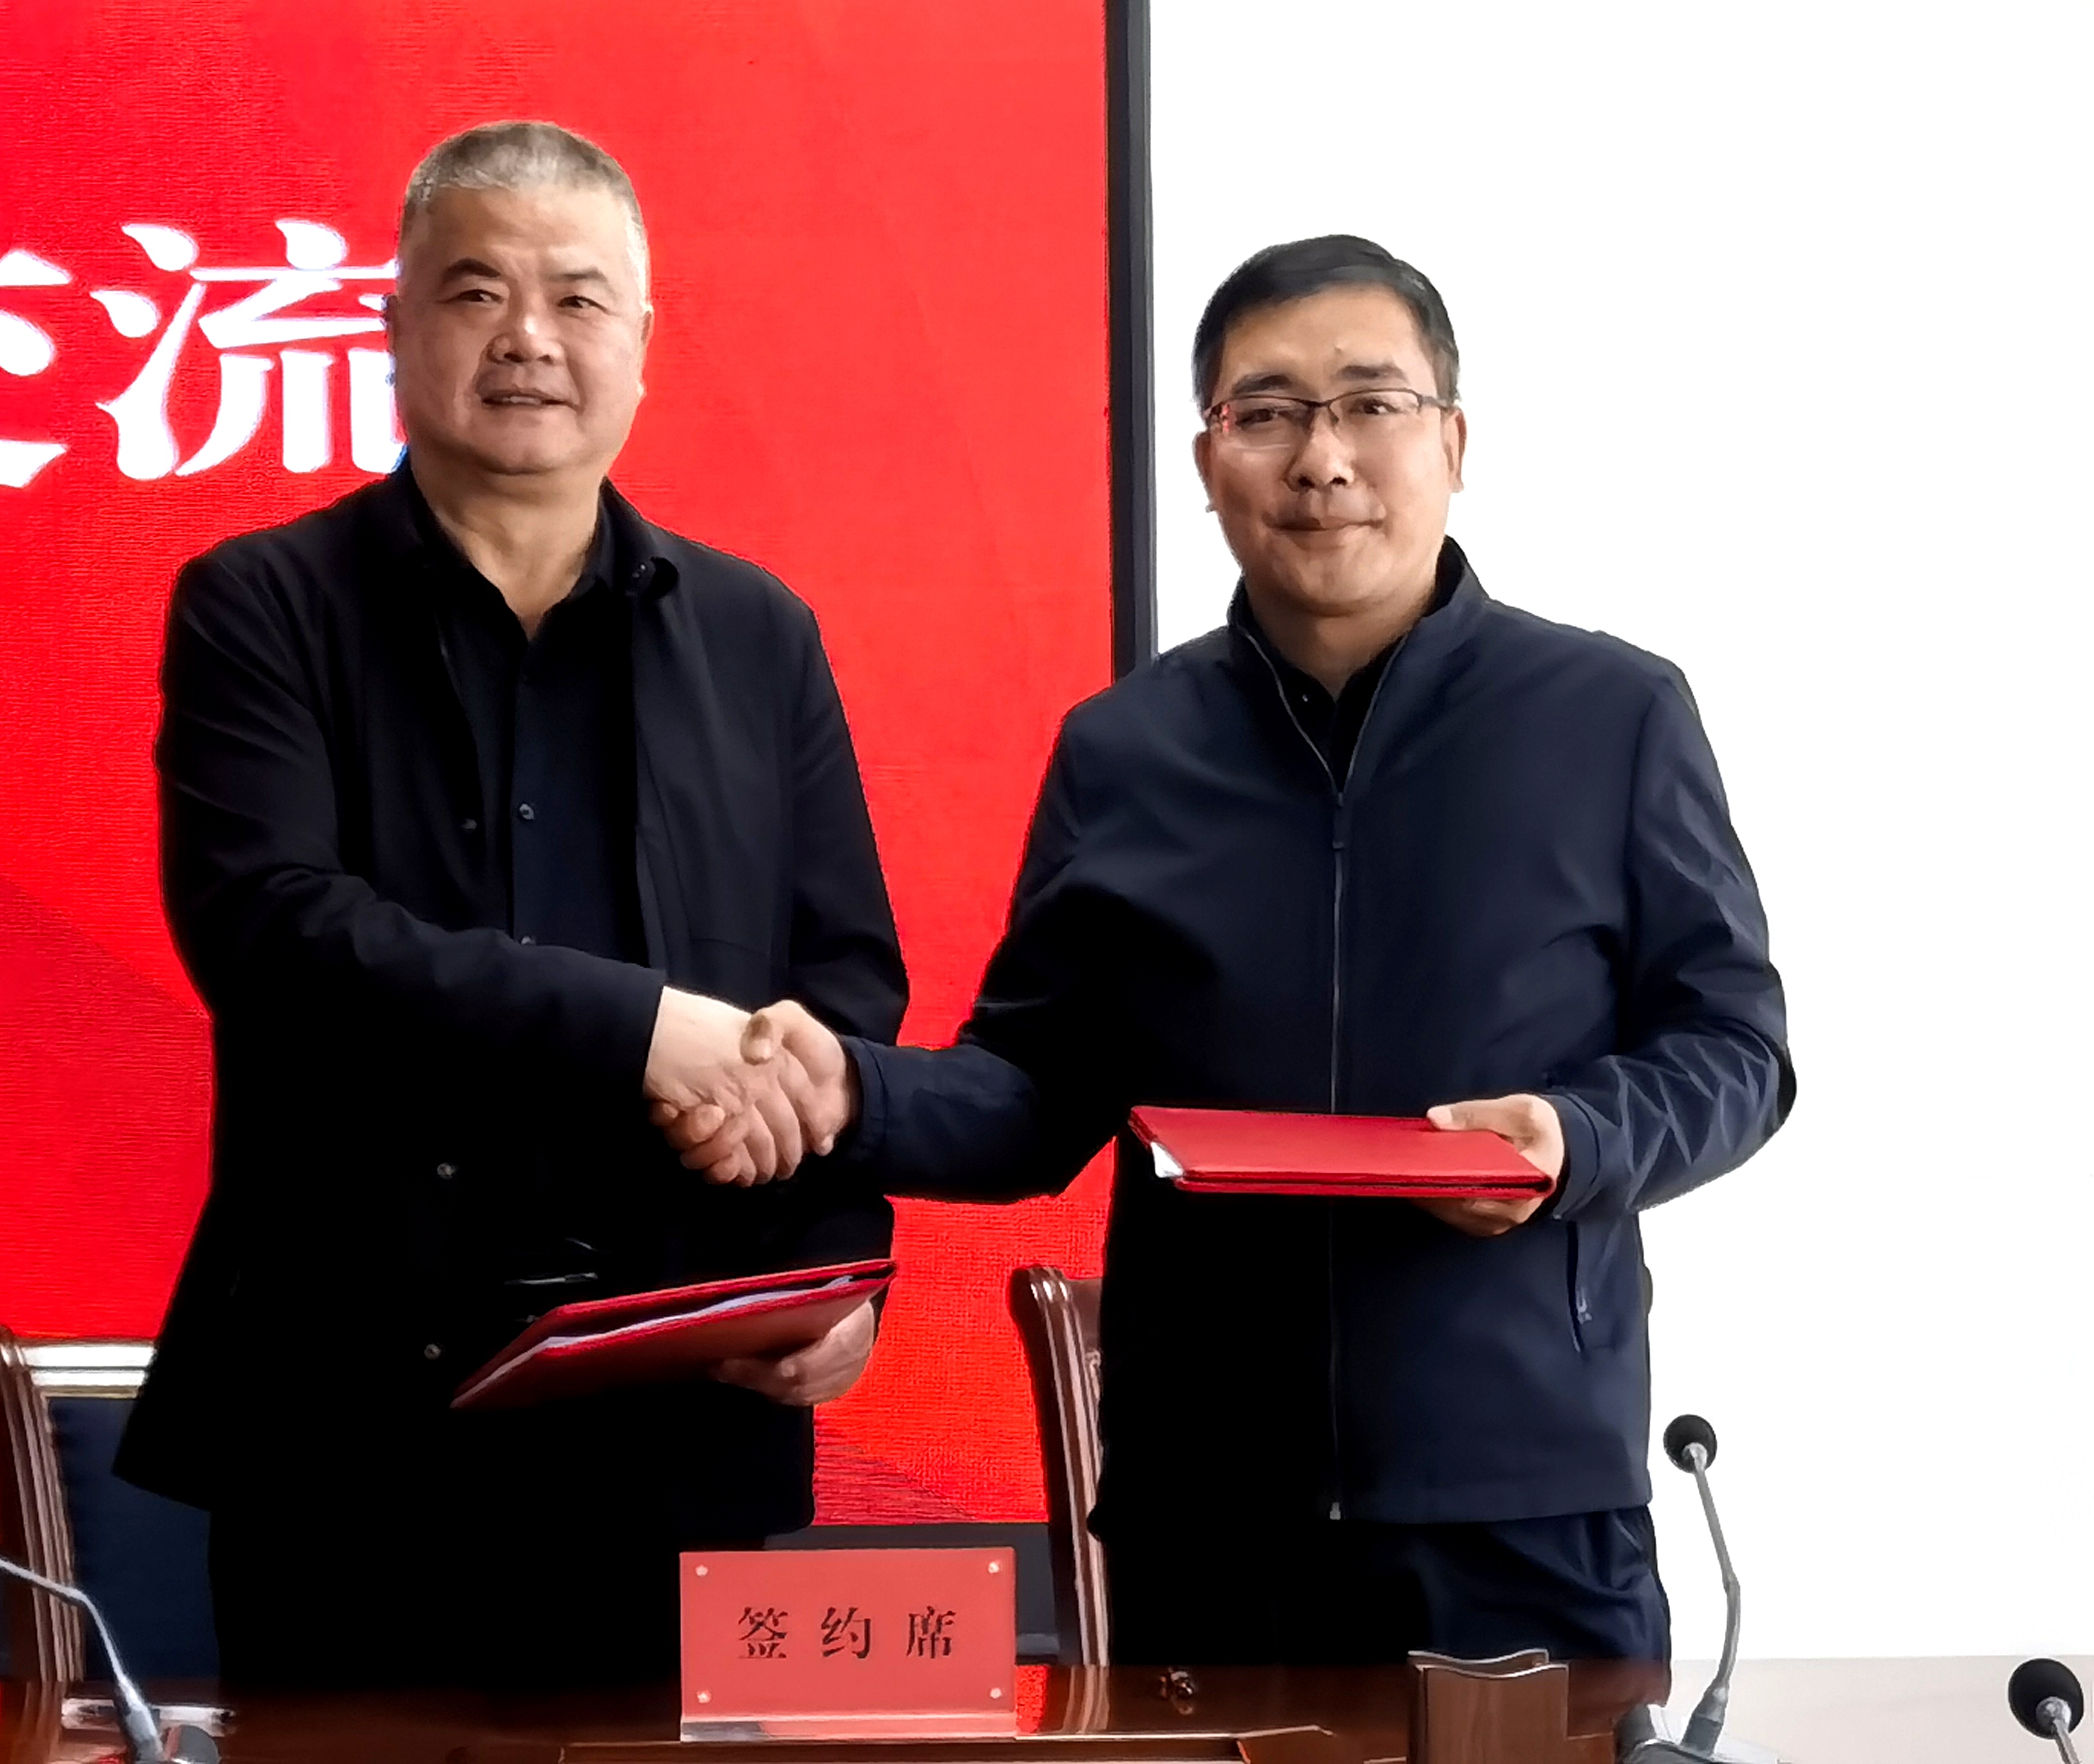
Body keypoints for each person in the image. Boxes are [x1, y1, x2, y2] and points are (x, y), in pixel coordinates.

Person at [676, 236, 1795, 1665]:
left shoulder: (1611, 715)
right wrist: (851, 1091)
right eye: (1264, 413)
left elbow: (1733, 1049)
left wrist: (1573, 1139)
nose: (1320, 458)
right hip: (1207, 1511)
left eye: (1369, 404)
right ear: (1207, 462)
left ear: (1451, 443)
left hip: (1521, 1503)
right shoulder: (1123, 748)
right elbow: (1034, 1092)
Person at [115, 121, 905, 1686]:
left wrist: (833, 1273)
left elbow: (843, 993)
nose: (529, 337)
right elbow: (275, 933)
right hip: (351, 1439)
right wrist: (648, 1032)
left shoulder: (760, 633)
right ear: (394, 325)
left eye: (578, 298)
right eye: (476, 292)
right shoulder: (262, 604)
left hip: (681, 1435)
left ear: (643, 344)